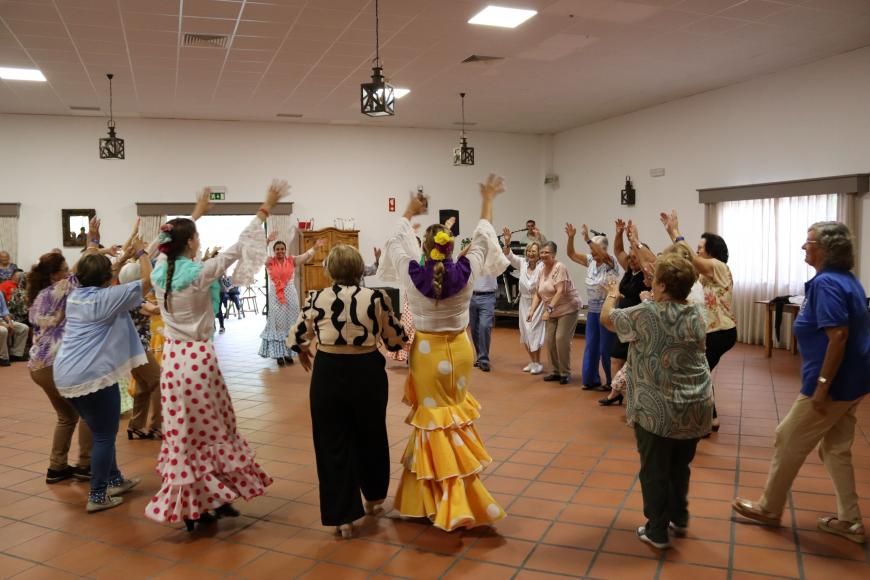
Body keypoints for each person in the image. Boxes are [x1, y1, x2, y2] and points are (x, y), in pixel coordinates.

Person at [145, 184, 280, 530]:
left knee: (184, 434)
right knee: (213, 430)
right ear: (190, 243)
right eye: (196, 235)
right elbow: (237, 248)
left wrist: (196, 212)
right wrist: (264, 208)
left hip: (173, 363)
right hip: (200, 361)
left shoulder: (161, 270)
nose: (199, 240)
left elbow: (164, 245)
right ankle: (211, 497)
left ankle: (204, 500)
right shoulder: (199, 274)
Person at [381, 174, 509, 531]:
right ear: (452, 248)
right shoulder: (467, 272)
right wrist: (487, 200)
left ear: (424, 247)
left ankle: (434, 498)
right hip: (461, 350)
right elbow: (484, 237)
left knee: (432, 423)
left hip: (426, 352)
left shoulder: (412, 272)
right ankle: (458, 490)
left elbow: (395, 240)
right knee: (456, 418)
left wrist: (408, 210)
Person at [733, 221, 869, 544]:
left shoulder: (827, 284)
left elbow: (838, 336)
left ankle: (769, 507)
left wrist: (822, 386)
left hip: (834, 384)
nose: (804, 247)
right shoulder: (847, 280)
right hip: (854, 382)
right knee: (835, 449)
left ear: (826, 249)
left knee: (787, 437)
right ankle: (850, 521)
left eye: (809, 242)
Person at [289, 245, 406, 538]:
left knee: (332, 441)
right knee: (371, 433)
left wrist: (303, 349)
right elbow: (395, 340)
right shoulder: (376, 297)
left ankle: (342, 516)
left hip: (328, 371)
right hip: (367, 371)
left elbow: (298, 334)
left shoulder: (316, 297)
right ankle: (374, 496)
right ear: (358, 269)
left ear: (329, 270)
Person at [602, 253, 713, 549]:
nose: (650, 281)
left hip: (659, 408)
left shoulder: (648, 313)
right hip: (695, 404)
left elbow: (607, 319)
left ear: (662, 286)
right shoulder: (698, 311)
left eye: (654, 279)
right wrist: (649, 299)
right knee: (680, 465)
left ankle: (657, 530)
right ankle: (679, 516)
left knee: (654, 470)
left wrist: (613, 294)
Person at [53, 235, 152, 512]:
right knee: (105, 435)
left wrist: (94, 242)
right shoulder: (108, 297)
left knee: (100, 431)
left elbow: (83, 269)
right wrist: (143, 252)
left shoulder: (74, 294)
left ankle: (114, 479)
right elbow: (148, 281)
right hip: (90, 376)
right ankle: (97, 495)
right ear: (107, 278)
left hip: (65, 374)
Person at [660, 210, 736, 433]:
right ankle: (709, 417)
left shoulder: (718, 267)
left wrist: (675, 231)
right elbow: (685, 260)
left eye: (701, 248)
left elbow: (690, 258)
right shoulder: (705, 273)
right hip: (712, 331)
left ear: (711, 252)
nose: (697, 250)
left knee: (699, 373)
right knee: (701, 372)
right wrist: (670, 235)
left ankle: (707, 418)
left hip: (722, 331)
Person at [27, 251, 92, 483]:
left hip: (38, 366)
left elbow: (76, 270)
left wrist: (96, 246)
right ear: (55, 275)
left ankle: (57, 467)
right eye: (64, 269)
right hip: (53, 364)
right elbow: (82, 270)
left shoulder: (40, 294)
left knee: (67, 416)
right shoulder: (58, 290)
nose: (68, 272)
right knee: (89, 412)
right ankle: (85, 464)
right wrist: (94, 244)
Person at [600, 219, 651, 406]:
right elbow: (618, 251)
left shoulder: (648, 273)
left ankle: (628, 395)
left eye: (635, 256)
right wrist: (618, 233)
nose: (632, 259)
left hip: (638, 323)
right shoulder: (629, 269)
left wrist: (635, 241)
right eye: (631, 256)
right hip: (623, 322)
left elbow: (644, 259)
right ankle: (616, 393)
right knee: (616, 358)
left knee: (630, 362)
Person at [566, 223, 621, 390]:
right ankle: (590, 379)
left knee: (606, 348)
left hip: (607, 311)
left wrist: (587, 239)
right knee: (591, 345)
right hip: (592, 311)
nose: (593, 255)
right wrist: (571, 238)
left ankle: (611, 382)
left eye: (596, 251)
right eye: (592, 252)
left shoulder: (611, 262)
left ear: (604, 250)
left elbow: (601, 255)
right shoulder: (591, 259)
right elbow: (571, 254)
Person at [259, 232, 324, 366]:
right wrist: (266, 241)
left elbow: (306, 256)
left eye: (282, 249)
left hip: (291, 296)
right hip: (275, 297)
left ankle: (288, 353)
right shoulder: (269, 261)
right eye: (277, 249)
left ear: (285, 250)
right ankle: (279, 354)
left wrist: (316, 247)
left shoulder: (292, 260)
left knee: (291, 324)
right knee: (278, 325)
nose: (280, 251)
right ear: (274, 250)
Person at [118, 262, 163, 440]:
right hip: (138, 350)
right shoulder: (136, 299)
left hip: (128, 349)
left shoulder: (123, 296)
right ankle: (156, 426)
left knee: (143, 386)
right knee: (159, 381)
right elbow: (155, 310)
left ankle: (135, 426)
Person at [531, 241, 582, 384]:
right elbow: (538, 293)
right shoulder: (541, 270)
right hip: (552, 310)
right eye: (541, 252)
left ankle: (565, 372)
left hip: (568, 308)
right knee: (550, 340)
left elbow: (560, 291)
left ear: (553, 254)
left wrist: (549, 310)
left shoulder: (560, 267)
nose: (543, 255)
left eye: (546, 252)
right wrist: (532, 310)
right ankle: (554, 371)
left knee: (561, 339)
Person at [502, 227, 544, 374]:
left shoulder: (542, 266)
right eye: (529, 251)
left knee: (534, 331)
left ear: (539, 254)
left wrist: (539, 238)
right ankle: (532, 362)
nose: (531, 253)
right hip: (524, 302)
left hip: (538, 303)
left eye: (534, 251)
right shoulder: (522, 263)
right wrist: (507, 242)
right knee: (525, 331)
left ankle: (538, 362)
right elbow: (509, 256)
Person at [469, 273, 497, 372]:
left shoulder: (493, 257)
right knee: (473, 328)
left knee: (485, 326)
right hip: (470, 295)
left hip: (488, 296)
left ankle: (484, 359)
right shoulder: (470, 257)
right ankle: (479, 356)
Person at [0, 291, 28, 367]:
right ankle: (3, 357)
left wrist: (9, 322)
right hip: (1, 323)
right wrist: (3, 324)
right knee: (3, 330)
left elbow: (4, 312)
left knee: (24, 328)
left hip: (2, 320)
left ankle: (16, 354)